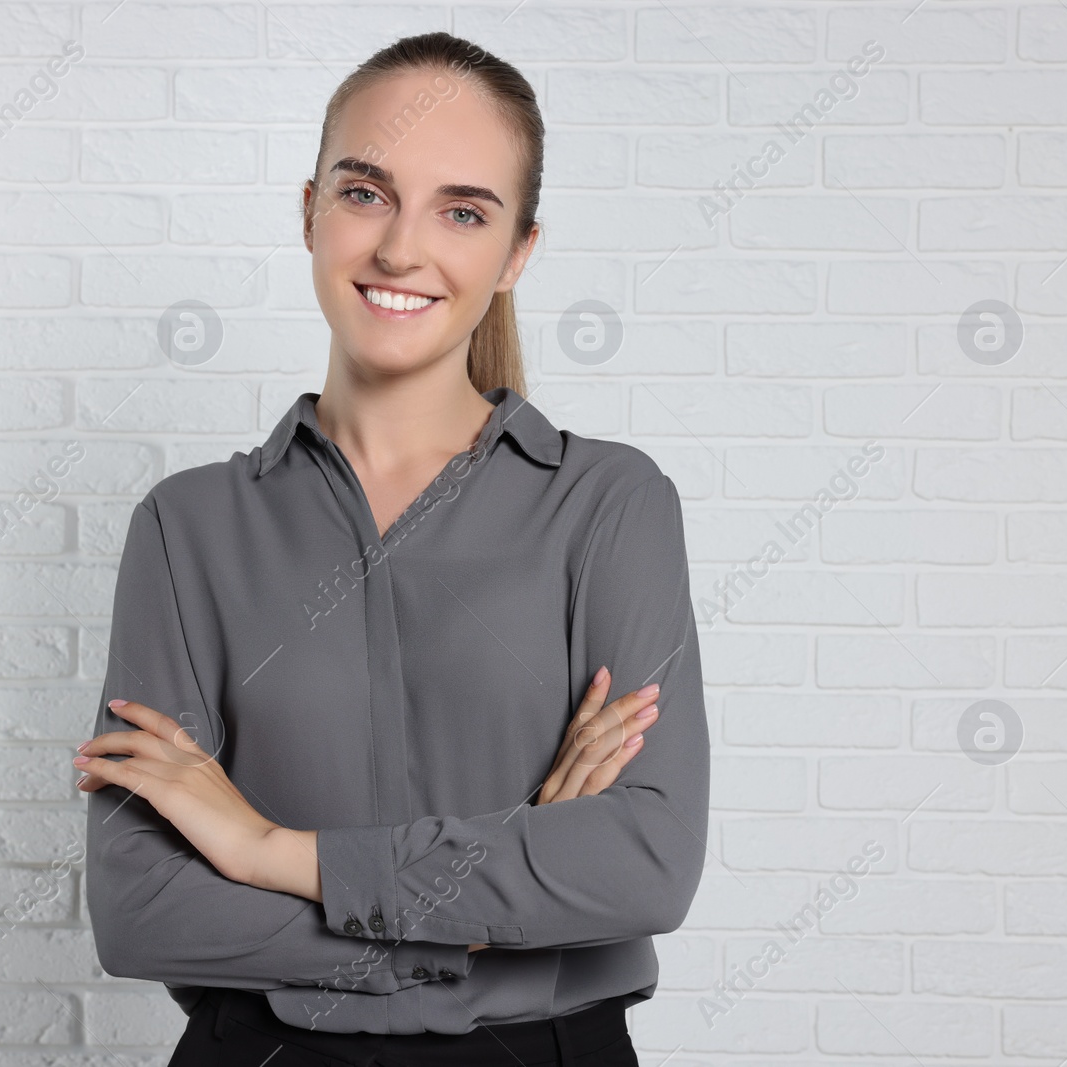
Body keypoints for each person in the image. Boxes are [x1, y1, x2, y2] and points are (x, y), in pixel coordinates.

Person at [75, 30, 709, 1066]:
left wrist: (264, 848)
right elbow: (141, 908)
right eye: (366, 193)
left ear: (516, 255)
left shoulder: (610, 504)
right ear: (310, 211)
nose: (402, 249)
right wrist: (486, 920)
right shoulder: (184, 527)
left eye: (462, 211)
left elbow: (642, 862)